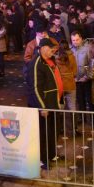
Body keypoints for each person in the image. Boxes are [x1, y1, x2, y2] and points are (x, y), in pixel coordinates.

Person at [27, 38, 64, 169]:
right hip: (44, 106)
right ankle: (42, 159)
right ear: (42, 48)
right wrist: (42, 107)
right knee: (43, 133)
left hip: (54, 103)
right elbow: (35, 87)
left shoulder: (51, 60)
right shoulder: (36, 63)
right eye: (50, 48)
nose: (53, 50)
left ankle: (51, 154)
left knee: (53, 131)